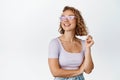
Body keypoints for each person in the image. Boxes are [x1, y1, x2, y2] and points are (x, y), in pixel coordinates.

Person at [48, 6, 94, 80]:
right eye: (63, 17)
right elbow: (55, 72)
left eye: (70, 17)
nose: (65, 20)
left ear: (77, 20)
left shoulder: (83, 43)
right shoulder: (55, 43)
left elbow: (88, 70)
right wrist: (78, 71)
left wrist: (88, 48)